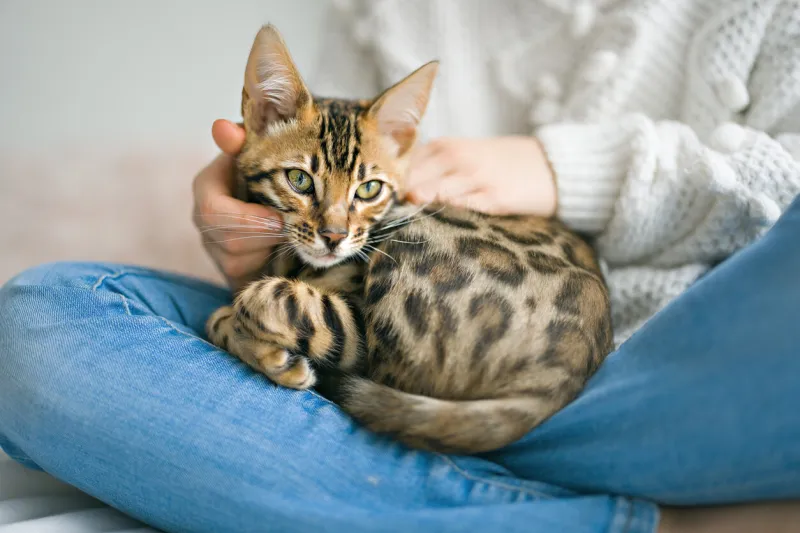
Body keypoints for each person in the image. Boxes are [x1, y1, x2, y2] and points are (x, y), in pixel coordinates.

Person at [2, 1, 800, 532]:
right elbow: (340, 170)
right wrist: (248, 252)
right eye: (313, 191)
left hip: (646, 383)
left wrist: (573, 171)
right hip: (420, 380)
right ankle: (594, 516)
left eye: (357, 199)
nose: (335, 222)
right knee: (41, 322)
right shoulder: (380, 13)